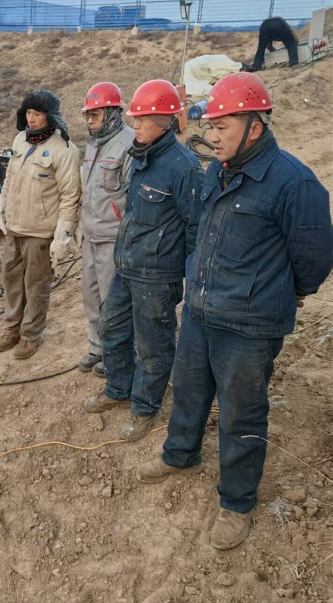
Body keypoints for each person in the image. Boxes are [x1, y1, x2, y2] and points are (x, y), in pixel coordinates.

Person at [136, 73, 333, 550]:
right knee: (188, 391)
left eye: (222, 126)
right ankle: (180, 454)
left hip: (248, 326)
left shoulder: (294, 183)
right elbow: (203, 233)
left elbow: (313, 260)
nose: (213, 135)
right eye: (210, 125)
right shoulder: (216, 171)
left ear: (255, 127)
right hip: (201, 312)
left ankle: (237, 501)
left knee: (241, 414)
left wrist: (281, 291)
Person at [84, 80, 205, 442]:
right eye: (133, 118)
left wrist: (183, 276)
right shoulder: (141, 156)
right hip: (128, 265)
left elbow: (195, 228)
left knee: (153, 345)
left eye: (141, 119)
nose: (133, 125)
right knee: (112, 328)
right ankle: (118, 388)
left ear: (164, 121)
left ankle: (145, 407)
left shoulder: (184, 168)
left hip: (157, 275)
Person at [0, 89, 80, 359]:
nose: (31, 119)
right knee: (11, 280)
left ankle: (32, 335)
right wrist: (0, 210)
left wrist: (63, 236)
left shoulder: (64, 150)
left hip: (40, 232)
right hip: (14, 226)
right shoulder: (20, 140)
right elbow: (10, 179)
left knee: (36, 285)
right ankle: (12, 329)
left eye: (37, 114)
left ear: (50, 116)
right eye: (28, 113)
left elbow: (70, 196)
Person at [76, 82, 134, 376]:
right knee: (91, 296)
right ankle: (97, 347)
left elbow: (132, 197)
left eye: (95, 115)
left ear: (112, 112)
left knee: (114, 301)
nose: (90, 120)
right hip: (90, 235)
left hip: (113, 237)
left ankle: (117, 353)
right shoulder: (92, 144)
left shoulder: (129, 144)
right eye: (88, 115)